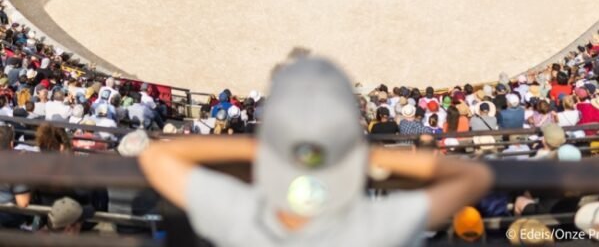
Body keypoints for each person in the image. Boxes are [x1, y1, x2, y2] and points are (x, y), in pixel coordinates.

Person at [140, 57, 493, 246]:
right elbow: (473, 176)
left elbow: (157, 157)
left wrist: (262, 147)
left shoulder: (241, 217)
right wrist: (367, 156)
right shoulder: (374, 229)